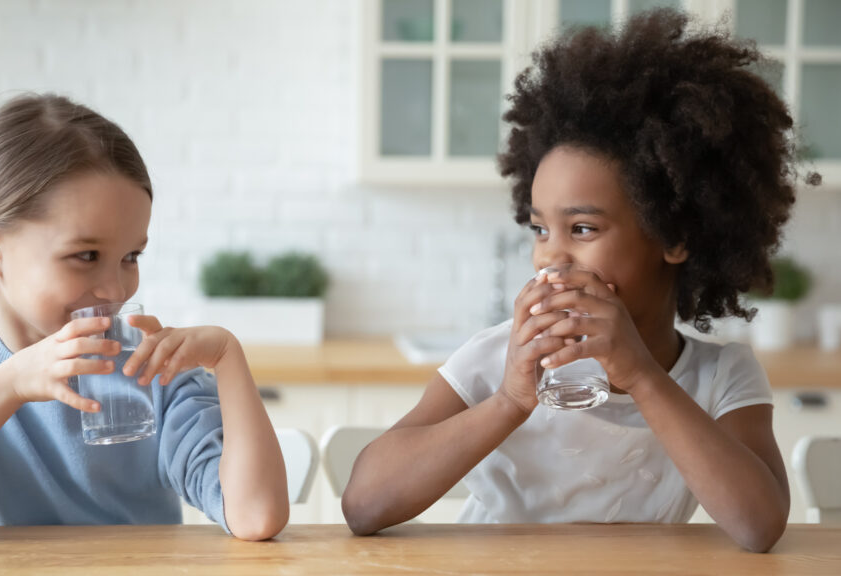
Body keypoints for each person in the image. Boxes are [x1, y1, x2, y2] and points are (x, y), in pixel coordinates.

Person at [342, 9, 815, 552]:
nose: (551, 256)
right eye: (541, 228)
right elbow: (363, 503)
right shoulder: (498, 359)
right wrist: (510, 401)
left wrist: (640, 374)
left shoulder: (722, 376)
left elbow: (759, 526)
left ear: (675, 237)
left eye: (583, 228)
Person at [0, 94, 289, 543]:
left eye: (131, 256)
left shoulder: (152, 365)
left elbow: (256, 516)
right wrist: (9, 384)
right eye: (86, 255)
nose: (116, 290)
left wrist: (229, 358)